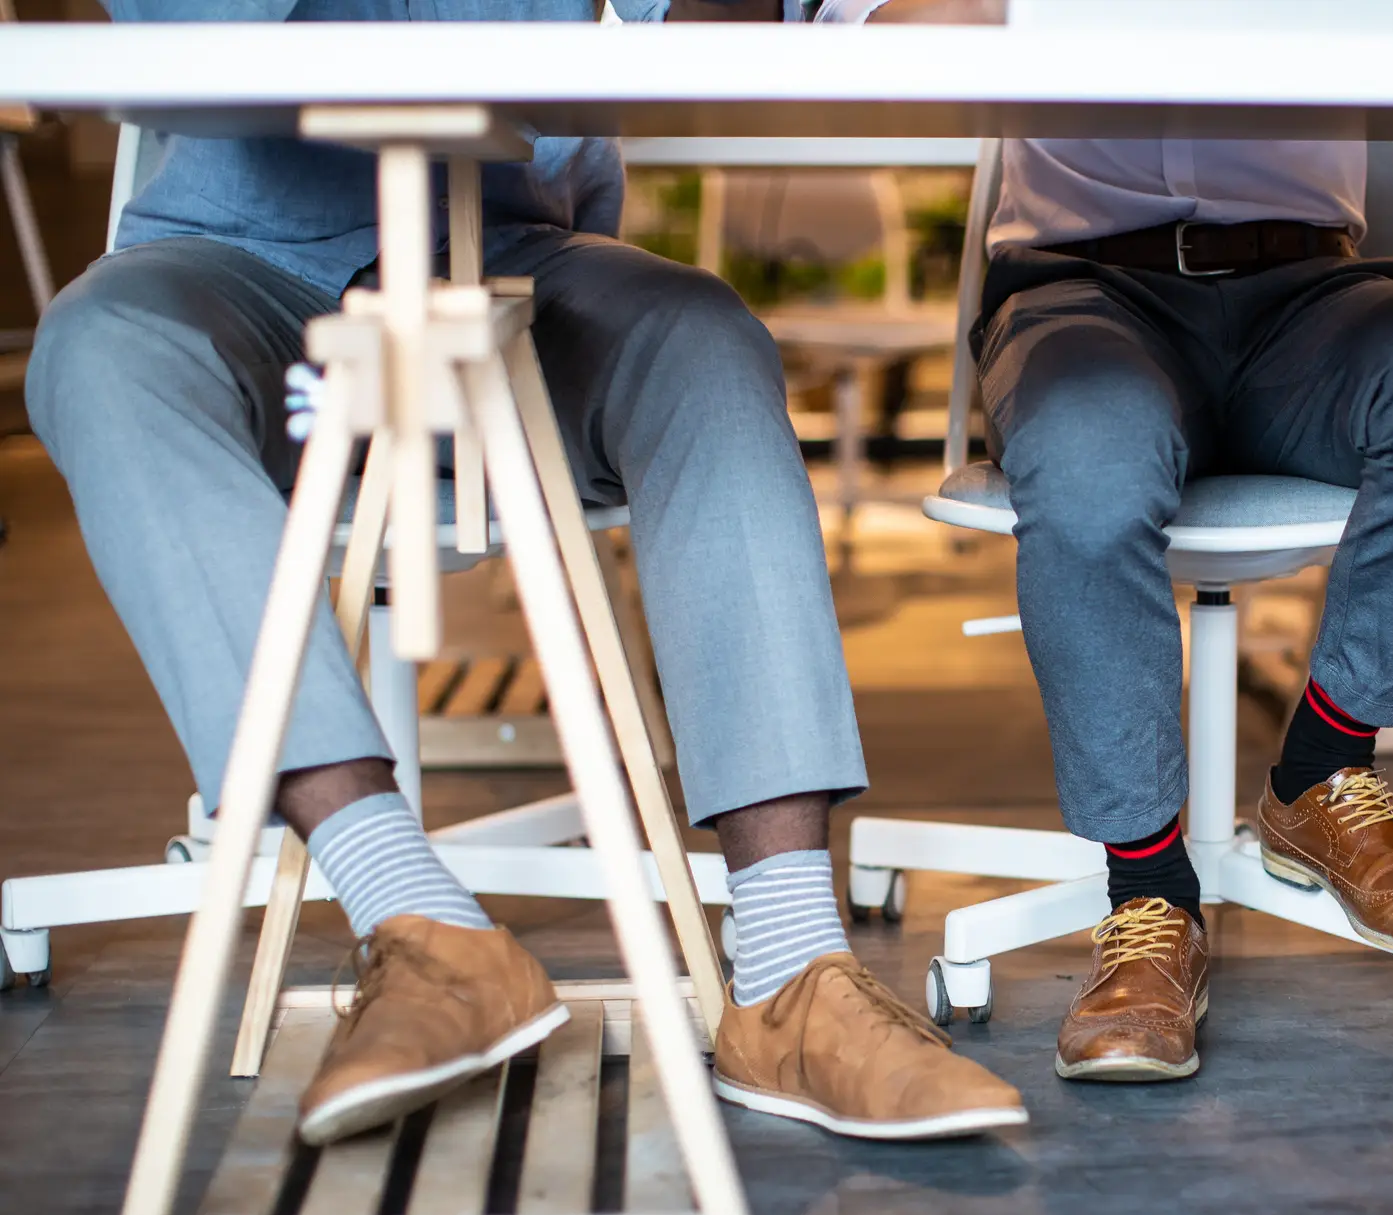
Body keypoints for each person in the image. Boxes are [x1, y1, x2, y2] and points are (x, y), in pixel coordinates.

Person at [30, 1, 1026, 1144]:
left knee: (701, 343)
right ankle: (417, 921)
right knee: (101, 353)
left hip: (506, 259)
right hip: (236, 264)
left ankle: (793, 974)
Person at [865, 2, 1393, 1084]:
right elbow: (872, 23)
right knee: (1089, 451)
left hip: (1313, 295)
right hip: (1085, 288)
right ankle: (1147, 895)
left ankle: (1322, 773)